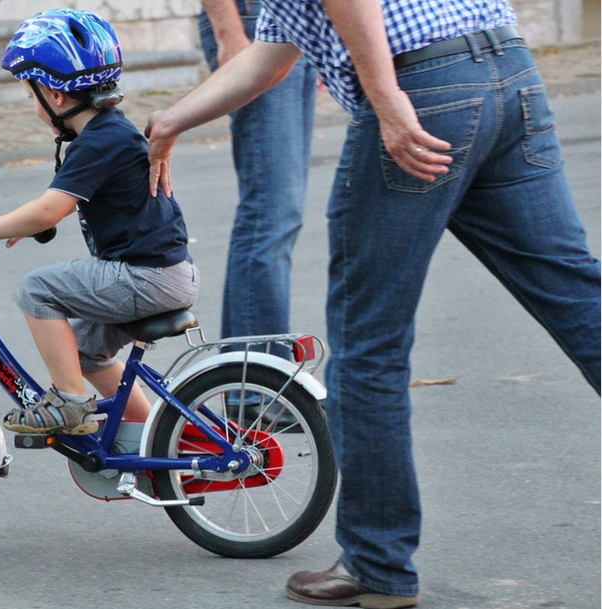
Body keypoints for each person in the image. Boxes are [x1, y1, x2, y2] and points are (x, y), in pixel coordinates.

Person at [145, 0, 601, 607]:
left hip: (419, 85)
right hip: (506, 68)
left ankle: (377, 564)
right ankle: (376, 559)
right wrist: (172, 119)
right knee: (577, 296)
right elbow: (272, 58)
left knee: (369, 344)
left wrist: (385, 102)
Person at [0, 8, 199, 435]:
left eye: (32, 96)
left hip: (145, 276)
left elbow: (50, 209)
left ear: (55, 96)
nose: (33, 105)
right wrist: (24, 227)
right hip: (164, 273)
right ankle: (150, 436)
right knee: (84, 352)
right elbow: (61, 206)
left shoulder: (98, 143)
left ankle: (69, 403)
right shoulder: (107, 133)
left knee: (36, 289)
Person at [198, 0, 316, 356]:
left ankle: (246, 379)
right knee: (271, 213)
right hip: (253, 23)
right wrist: (228, 30)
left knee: (274, 214)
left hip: (299, 25)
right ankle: (258, 384)